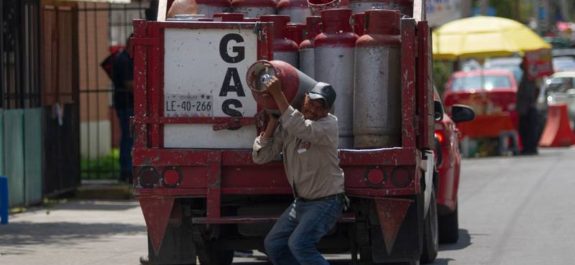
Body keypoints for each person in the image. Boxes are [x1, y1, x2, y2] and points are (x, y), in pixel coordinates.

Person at [252, 76, 346, 265]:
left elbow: (300, 127)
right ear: (304, 98)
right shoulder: (290, 125)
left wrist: (278, 94)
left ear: (327, 111)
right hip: (302, 203)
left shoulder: (328, 125)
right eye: (311, 103)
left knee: (299, 244)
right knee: (274, 243)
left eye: (320, 107)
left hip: (326, 202)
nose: (313, 109)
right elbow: (261, 156)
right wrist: (272, 122)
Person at [112, 35, 134, 182]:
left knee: (129, 137)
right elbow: (129, 84)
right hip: (126, 104)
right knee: (128, 137)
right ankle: (126, 171)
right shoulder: (124, 60)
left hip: (126, 103)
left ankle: (127, 170)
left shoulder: (125, 58)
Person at [516, 58, 539, 155]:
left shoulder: (531, 77)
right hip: (524, 108)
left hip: (528, 108)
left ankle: (530, 148)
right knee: (525, 129)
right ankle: (528, 147)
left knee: (529, 129)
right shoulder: (526, 76)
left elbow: (531, 93)